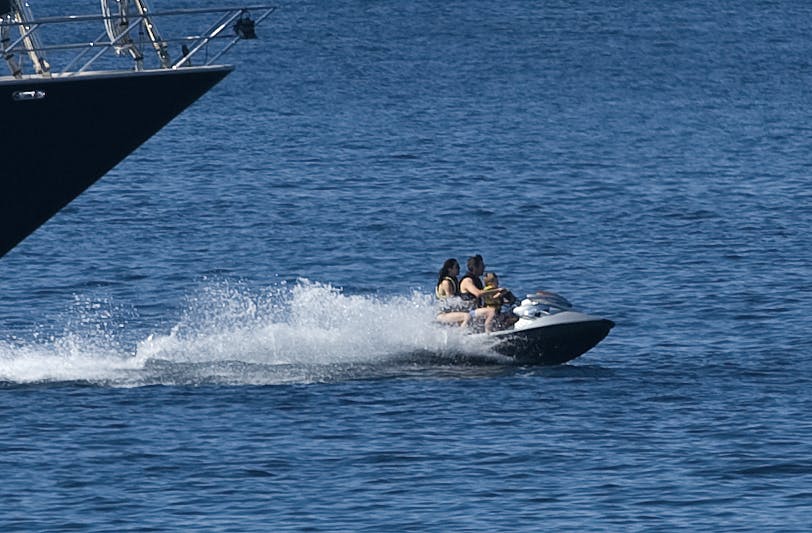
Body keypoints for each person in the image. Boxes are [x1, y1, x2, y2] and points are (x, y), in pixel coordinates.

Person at [459, 254, 504, 333]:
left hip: (477, 311)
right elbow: (478, 293)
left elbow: (484, 297)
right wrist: (497, 290)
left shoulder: (477, 280)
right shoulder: (467, 280)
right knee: (491, 311)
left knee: (500, 314)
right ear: (475, 267)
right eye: (482, 266)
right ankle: (488, 334)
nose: (484, 268)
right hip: (468, 312)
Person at [434, 258, 470, 327]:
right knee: (466, 316)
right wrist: (465, 303)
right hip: (442, 314)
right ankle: (461, 335)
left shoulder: (454, 280)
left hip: (450, 312)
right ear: (449, 269)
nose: (459, 269)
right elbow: (451, 300)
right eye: (457, 267)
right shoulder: (446, 282)